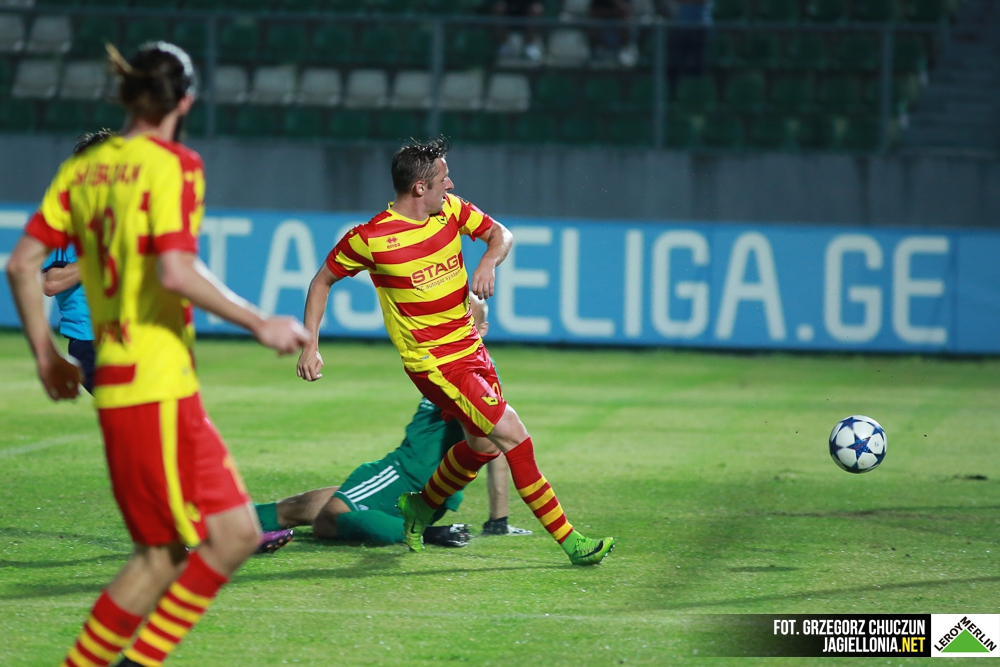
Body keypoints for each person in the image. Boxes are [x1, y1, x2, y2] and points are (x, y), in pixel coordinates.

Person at [5, 41, 308, 667]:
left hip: (142, 385)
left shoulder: (84, 172)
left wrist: (45, 356)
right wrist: (259, 322)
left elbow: (20, 264)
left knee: (230, 535)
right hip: (152, 383)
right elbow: (176, 269)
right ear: (186, 101)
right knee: (168, 554)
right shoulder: (175, 164)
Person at [296, 137, 614, 566]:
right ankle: (571, 542)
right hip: (435, 364)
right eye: (443, 179)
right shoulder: (371, 238)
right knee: (514, 436)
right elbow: (322, 280)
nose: (451, 185)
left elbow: (500, 234)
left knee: (483, 447)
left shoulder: (450, 210)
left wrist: (487, 262)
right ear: (419, 188)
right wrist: (310, 345)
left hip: (471, 348)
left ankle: (420, 508)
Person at [253, 296, 531, 552]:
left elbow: (493, 441)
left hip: (405, 476)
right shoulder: (456, 361)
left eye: (466, 318)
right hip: (424, 487)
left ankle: (423, 533)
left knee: (330, 517)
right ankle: (236, 521)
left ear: (481, 329)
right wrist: (498, 521)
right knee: (299, 507)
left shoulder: (466, 371)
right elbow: (495, 440)